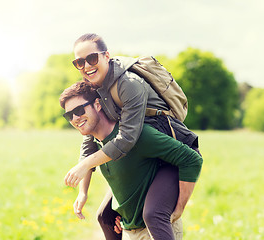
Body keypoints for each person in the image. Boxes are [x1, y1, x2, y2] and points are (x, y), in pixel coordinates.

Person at [65, 33, 201, 239]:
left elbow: (127, 138)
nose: (86, 66)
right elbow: (89, 141)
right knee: (105, 216)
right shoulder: (96, 86)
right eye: (79, 62)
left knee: (154, 214)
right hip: (142, 151)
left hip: (166, 149)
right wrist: (83, 191)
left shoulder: (129, 83)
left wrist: (179, 207)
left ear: (106, 56)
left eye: (91, 59)